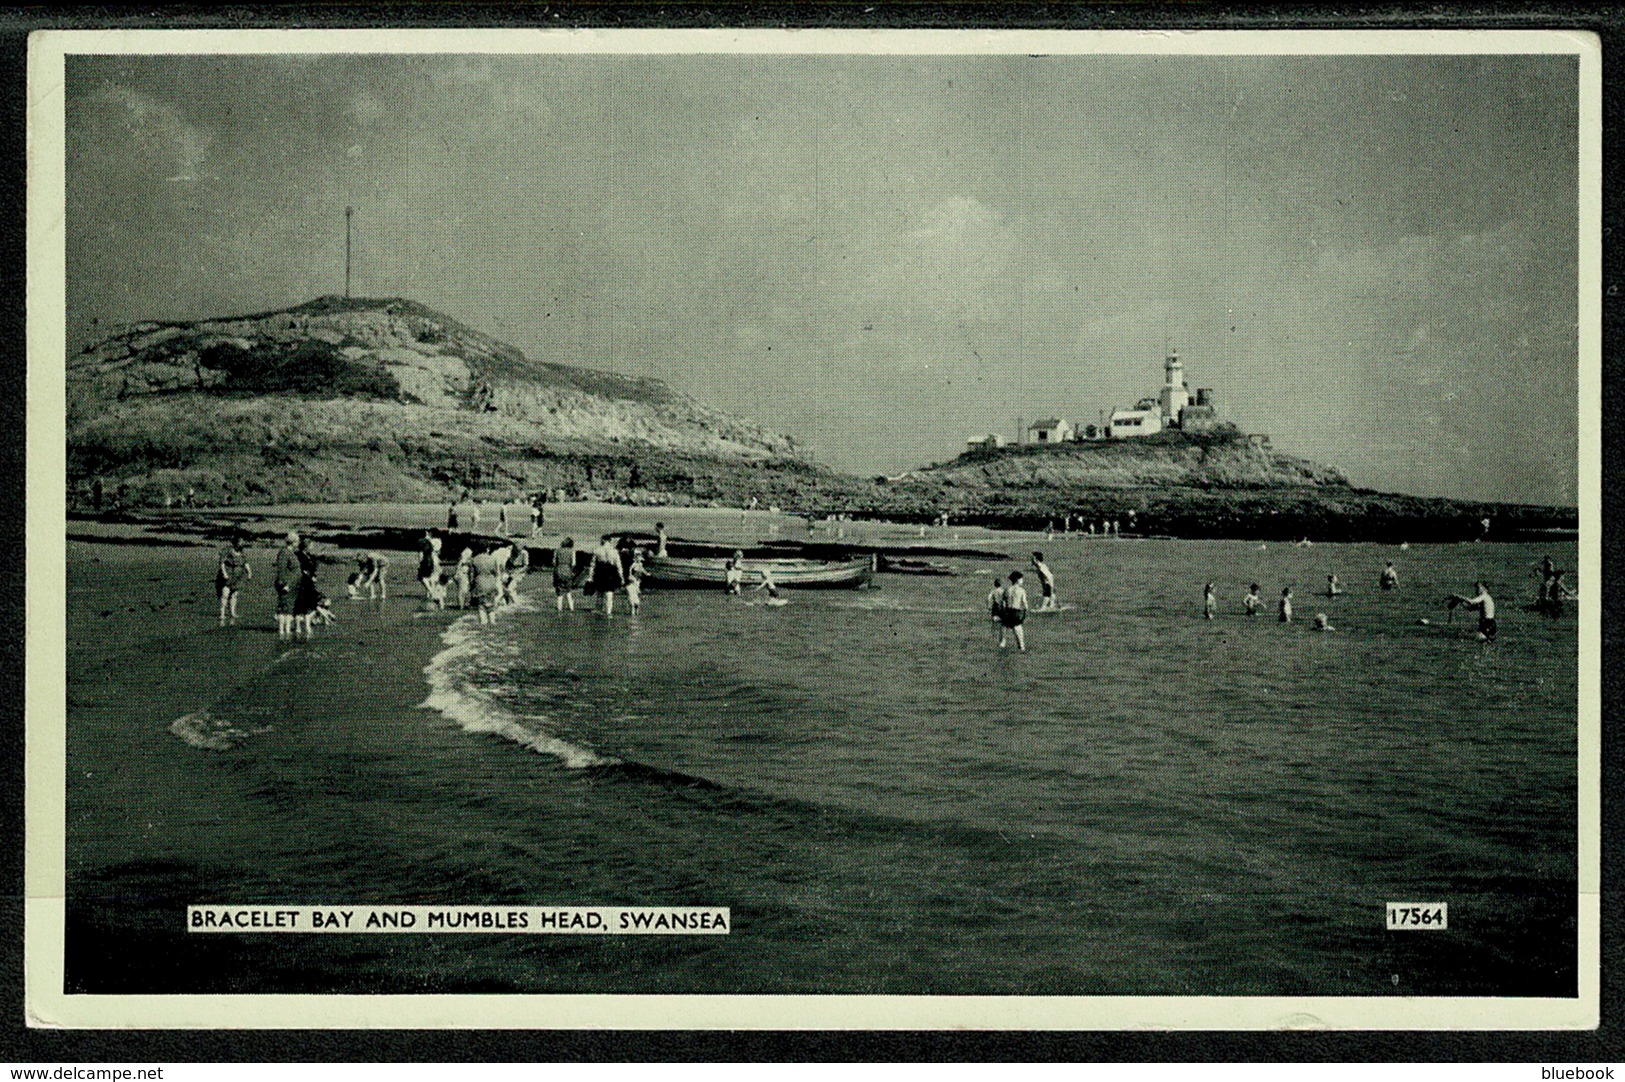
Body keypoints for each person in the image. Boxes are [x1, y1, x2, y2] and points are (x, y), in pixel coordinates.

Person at [215, 535, 252, 626]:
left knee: (235, 594)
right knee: (225, 594)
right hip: (228, 575)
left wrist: (249, 572)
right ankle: (222, 613)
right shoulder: (228, 550)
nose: (242, 544)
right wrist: (224, 573)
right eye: (241, 542)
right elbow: (222, 562)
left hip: (238, 576)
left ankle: (232, 612)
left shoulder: (242, 552)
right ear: (236, 543)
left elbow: (246, 562)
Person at [585, 534, 625, 616]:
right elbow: (618, 565)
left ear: (603, 540)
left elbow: (592, 565)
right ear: (610, 541)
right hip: (612, 572)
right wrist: (621, 577)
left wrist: (590, 577)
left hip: (600, 571)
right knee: (609, 593)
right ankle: (608, 612)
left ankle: (599, 609)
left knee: (600, 592)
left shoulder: (597, 550)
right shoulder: (614, 551)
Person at [273, 531, 301, 638]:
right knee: (284, 607)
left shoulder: (291, 553)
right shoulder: (284, 553)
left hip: (293, 585)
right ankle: (282, 631)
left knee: (289, 608)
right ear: (293, 542)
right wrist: (284, 584)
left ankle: (287, 630)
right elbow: (281, 570)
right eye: (297, 541)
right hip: (287, 585)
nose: (298, 543)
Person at [470, 543, 506, 625]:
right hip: (491, 581)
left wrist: (472, 586)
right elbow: (497, 573)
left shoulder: (474, 559)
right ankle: (492, 621)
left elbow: (471, 575)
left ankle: (483, 622)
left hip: (479, 581)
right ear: (488, 549)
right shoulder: (493, 559)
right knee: (491, 605)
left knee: (481, 605)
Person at [293, 535, 321, 637]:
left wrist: (313, 575)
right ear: (306, 546)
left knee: (310, 605)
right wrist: (310, 576)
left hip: (309, 584)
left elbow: (312, 568)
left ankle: (306, 626)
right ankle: (298, 627)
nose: (313, 546)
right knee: (300, 605)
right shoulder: (298, 555)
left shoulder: (310, 556)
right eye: (311, 544)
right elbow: (300, 569)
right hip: (301, 583)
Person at [996, 571, 1029, 651]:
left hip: (1007, 613)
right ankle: (1021, 649)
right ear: (1017, 580)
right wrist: (1026, 613)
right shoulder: (1021, 590)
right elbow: (1024, 603)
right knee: (1020, 641)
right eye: (1021, 579)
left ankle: (1001, 654)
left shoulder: (1007, 590)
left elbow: (1002, 603)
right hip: (1016, 613)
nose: (1022, 581)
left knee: (1002, 641)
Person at [417, 531, 444, 609]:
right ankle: (431, 593)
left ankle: (432, 593)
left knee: (421, 578)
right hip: (431, 561)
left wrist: (421, 562)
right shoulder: (430, 541)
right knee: (429, 578)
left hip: (425, 561)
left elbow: (421, 553)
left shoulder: (422, 542)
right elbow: (433, 552)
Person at [553, 537, 578, 612]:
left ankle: (559, 609)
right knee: (568, 591)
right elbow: (573, 564)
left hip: (559, 570)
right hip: (568, 570)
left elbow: (554, 562)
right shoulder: (572, 551)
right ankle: (571, 608)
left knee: (559, 592)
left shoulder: (557, 550)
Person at [987, 576, 1007, 644]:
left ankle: (993, 637)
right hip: (1002, 608)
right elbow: (1005, 600)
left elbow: (989, 598)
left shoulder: (993, 591)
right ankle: (1002, 640)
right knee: (1003, 625)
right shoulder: (1003, 591)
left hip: (995, 608)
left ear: (994, 584)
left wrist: (989, 606)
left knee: (994, 623)